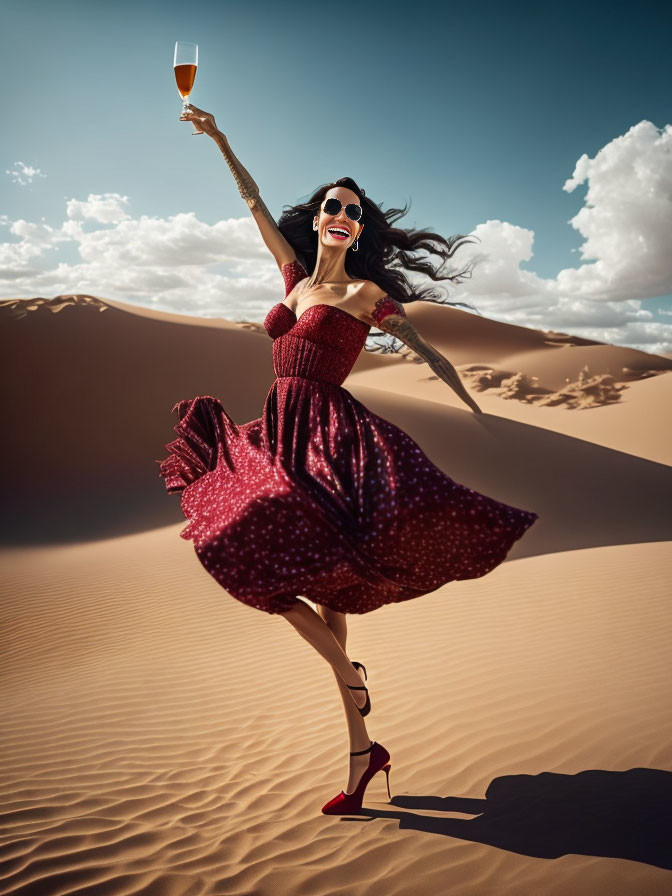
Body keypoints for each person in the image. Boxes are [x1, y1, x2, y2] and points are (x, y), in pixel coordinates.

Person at [157, 105, 539, 815]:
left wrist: (473, 401)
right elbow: (252, 201)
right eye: (332, 204)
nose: (340, 214)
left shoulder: (365, 295)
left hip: (333, 438)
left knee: (332, 586)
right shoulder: (294, 279)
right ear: (321, 216)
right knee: (243, 548)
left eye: (352, 210)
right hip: (278, 430)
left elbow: (427, 351)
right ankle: (355, 702)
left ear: (359, 229)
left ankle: (361, 748)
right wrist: (220, 138)